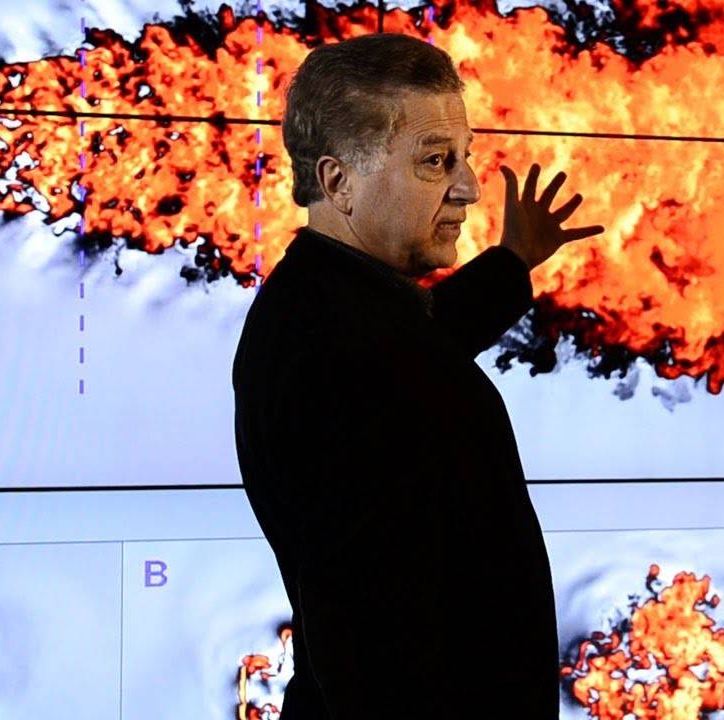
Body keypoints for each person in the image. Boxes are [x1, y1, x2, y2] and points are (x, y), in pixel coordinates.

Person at [232, 33, 603, 719]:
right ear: (339, 182)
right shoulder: (349, 357)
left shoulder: (322, 305)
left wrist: (512, 261)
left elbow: (419, 344)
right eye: (435, 162)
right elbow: (373, 657)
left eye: (465, 157)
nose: (468, 188)